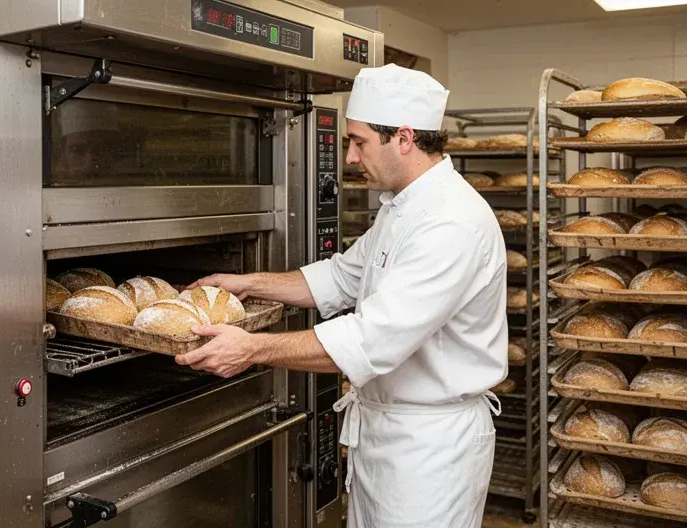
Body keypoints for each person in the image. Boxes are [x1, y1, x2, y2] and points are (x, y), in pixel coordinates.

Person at [175, 64, 509, 527]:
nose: (350, 157)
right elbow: (338, 279)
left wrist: (252, 348)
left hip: (431, 452)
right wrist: (247, 283)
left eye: (359, 141)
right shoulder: (404, 209)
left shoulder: (451, 222)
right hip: (386, 435)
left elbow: (371, 340)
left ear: (405, 138)